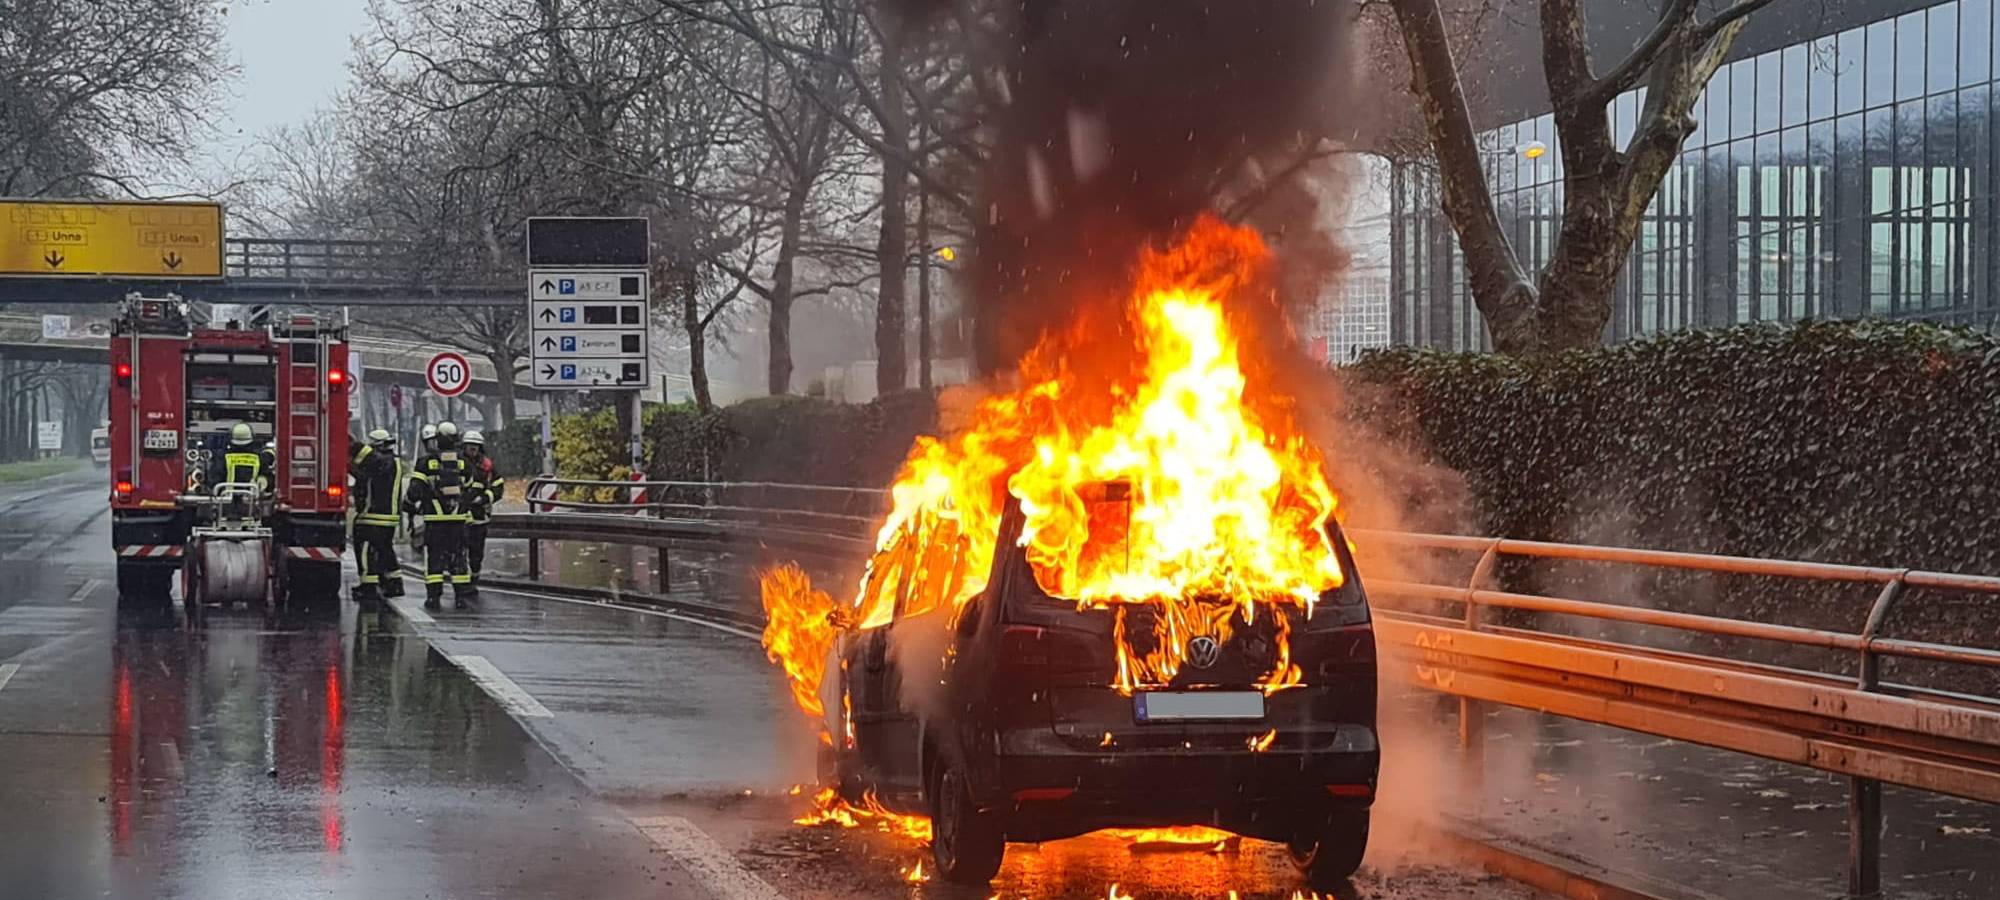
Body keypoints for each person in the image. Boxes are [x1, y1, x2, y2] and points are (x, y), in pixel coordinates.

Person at [405, 421, 474, 610]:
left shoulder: (426, 462)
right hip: (458, 520)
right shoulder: (464, 462)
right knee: (458, 557)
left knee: (435, 558)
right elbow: (470, 489)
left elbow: (415, 490)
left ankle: (433, 598)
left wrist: (410, 506)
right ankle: (460, 597)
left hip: (435, 521)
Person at [348, 428, 405, 603]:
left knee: (365, 548)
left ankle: (369, 586)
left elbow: (369, 461)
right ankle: (394, 583)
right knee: (384, 548)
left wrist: (351, 444)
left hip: (374, 515)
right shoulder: (392, 462)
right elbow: (365, 475)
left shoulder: (383, 461)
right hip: (388, 517)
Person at [462, 430, 503, 587]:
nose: (473, 449)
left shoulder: (486, 465)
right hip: (461, 515)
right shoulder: (458, 463)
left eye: (476, 446)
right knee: (460, 550)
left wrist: (485, 498)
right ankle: (462, 582)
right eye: (470, 446)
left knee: (476, 551)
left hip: (480, 515)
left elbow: (498, 486)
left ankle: (474, 578)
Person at [207, 423, 275, 496]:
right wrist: (264, 480)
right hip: (251, 501)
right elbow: (270, 481)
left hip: (225, 502)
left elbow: (213, 480)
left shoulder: (223, 458)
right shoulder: (258, 459)